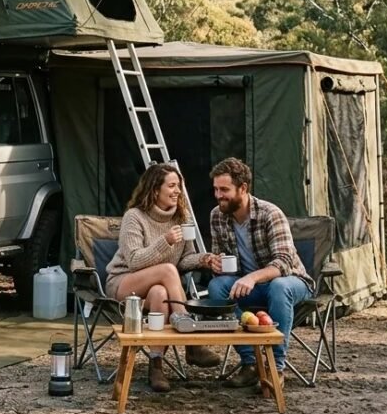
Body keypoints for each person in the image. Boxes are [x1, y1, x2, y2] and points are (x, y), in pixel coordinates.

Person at [105, 163, 221, 392]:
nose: (178, 190)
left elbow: (184, 259)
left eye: (179, 185)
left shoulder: (181, 217)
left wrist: (203, 259)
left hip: (156, 287)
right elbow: (134, 261)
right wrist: (165, 241)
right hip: (124, 282)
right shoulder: (134, 217)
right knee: (168, 270)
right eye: (172, 185)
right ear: (155, 189)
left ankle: (156, 365)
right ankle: (191, 343)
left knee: (160, 291)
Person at [205, 157, 314, 390]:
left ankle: (276, 368)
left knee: (279, 286)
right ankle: (251, 363)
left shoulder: (269, 213)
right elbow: (221, 258)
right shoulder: (217, 215)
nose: (218, 195)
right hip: (249, 287)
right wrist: (216, 263)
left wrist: (252, 277)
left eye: (224, 190)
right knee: (216, 287)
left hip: (291, 282)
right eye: (215, 189)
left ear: (243, 188)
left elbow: (284, 262)